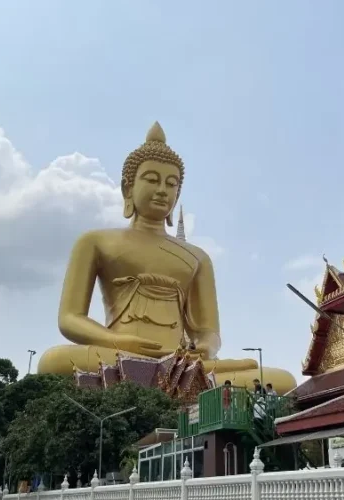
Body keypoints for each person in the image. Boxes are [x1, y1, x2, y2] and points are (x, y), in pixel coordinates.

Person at [35, 122, 297, 394]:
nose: (162, 190)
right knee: (54, 361)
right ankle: (169, 381)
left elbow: (209, 332)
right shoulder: (95, 242)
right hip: (120, 354)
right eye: (151, 179)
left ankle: (166, 378)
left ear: (178, 193)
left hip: (181, 363)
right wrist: (119, 342)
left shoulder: (197, 257)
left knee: (279, 379)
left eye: (171, 184)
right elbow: (70, 318)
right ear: (127, 188)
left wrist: (205, 347)